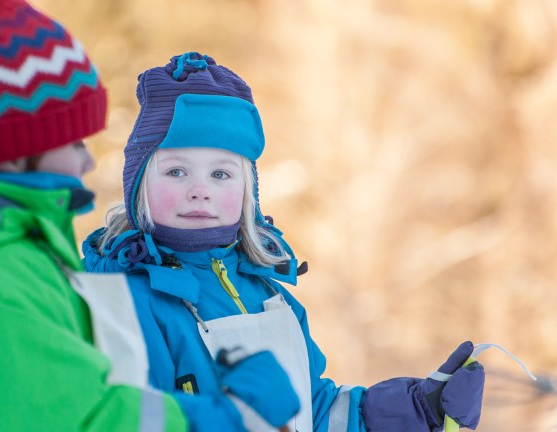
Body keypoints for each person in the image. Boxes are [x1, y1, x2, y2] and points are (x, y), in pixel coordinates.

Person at [0, 2, 301, 431]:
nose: (87, 162)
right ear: (14, 154)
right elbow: (84, 420)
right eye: (73, 143)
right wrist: (232, 415)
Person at [82, 52, 486, 431]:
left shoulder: (270, 295)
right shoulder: (122, 300)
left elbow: (315, 410)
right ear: (137, 187)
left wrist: (416, 409)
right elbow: (123, 418)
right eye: (176, 172)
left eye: (220, 174)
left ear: (247, 193)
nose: (199, 190)